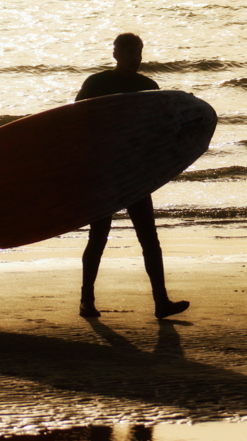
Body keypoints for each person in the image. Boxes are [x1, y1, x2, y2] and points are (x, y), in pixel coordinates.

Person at [75, 33, 190, 320]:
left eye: (138, 52)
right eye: (128, 53)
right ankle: (86, 300)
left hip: (136, 172)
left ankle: (161, 302)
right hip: (104, 170)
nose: (135, 58)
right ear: (116, 55)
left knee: (149, 238)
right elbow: (74, 121)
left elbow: (159, 131)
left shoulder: (148, 87)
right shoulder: (97, 84)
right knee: (98, 236)